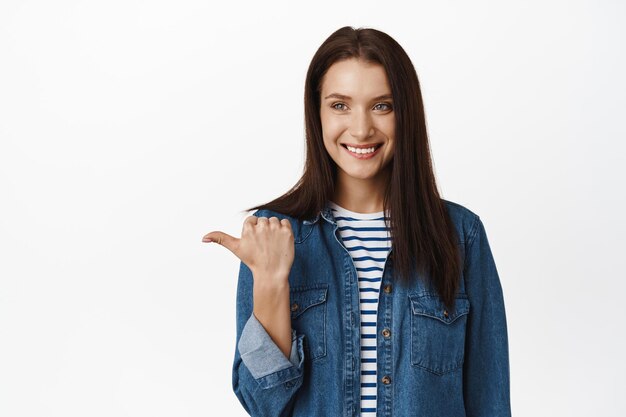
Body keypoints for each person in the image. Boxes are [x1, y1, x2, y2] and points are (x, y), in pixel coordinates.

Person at [202, 26, 511, 417]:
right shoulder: (274, 234)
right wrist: (270, 282)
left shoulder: (460, 235)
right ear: (316, 113)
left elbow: (490, 399)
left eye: (382, 105)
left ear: (406, 113)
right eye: (340, 105)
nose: (362, 128)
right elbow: (262, 405)